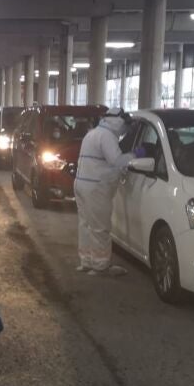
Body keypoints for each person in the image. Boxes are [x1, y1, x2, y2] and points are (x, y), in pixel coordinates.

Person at [73, 107, 135, 276]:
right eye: (125, 126)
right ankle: (100, 266)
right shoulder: (107, 136)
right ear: (118, 122)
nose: (125, 130)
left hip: (81, 184)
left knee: (85, 225)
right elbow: (117, 161)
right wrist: (133, 155)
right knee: (100, 228)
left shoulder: (92, 133)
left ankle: (86, 261)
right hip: (96, 188)